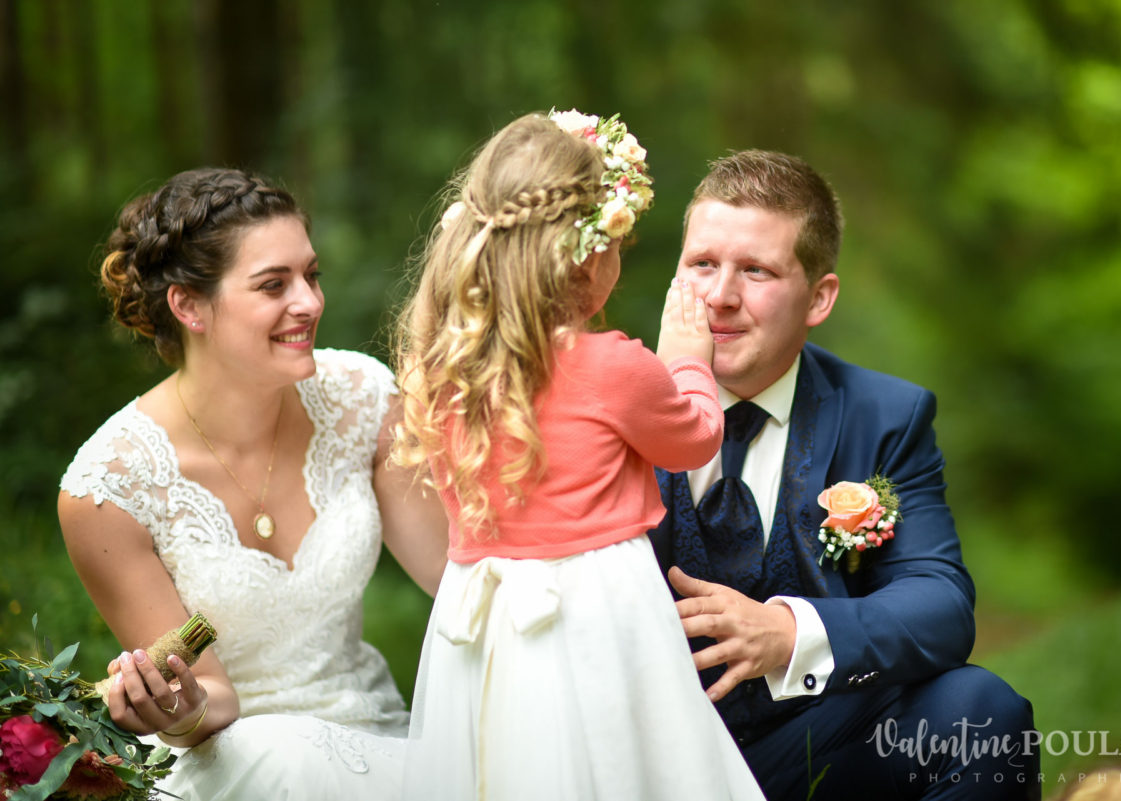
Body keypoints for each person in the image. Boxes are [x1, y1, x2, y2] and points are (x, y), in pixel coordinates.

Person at [390, 110, 766, 800]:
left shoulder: (444, 370)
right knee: (620, 762)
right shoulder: (612, 365)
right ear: (593, 256)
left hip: (479, 617)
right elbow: (694, 439)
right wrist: (687, 359)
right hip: (595, 606)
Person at [649, 149, 1040, 800]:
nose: (720, 295)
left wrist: (790, 633)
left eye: (756, 270)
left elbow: (939, 603)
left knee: (986, 718)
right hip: (645, 751)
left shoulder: (883, 415)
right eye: (702, 265)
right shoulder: (611, 399)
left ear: (819, 297)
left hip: (807, 742)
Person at [58, 167, 447, 800]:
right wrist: (173, 707)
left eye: (311, 275)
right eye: (274, 285)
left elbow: (457, 577)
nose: (311, 302)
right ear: (188, 306)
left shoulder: (361, 397)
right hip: (229, 764)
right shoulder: (108, 488)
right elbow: (208, 702)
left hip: (374, 741)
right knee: (279, 757)